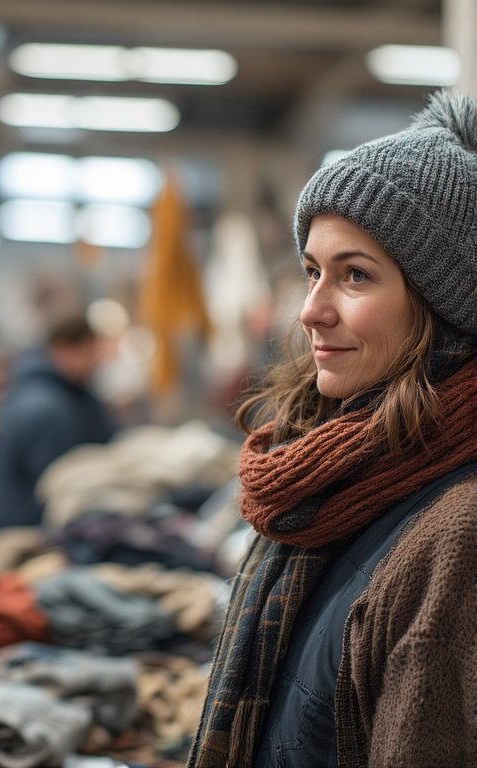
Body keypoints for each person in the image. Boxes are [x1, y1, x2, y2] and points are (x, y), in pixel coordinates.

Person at [188, 89, 476, 768]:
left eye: (355, 276)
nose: (312, 309)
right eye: (313, 271)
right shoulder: (332, 474)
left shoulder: (459, 533)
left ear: (444, 304)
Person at [0, 312, 119, 530]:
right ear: (65, 349)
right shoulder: (48, 410)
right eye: (91, 352)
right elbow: (60, 487)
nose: (98, 362)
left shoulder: (60, 394)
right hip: (32, 529)